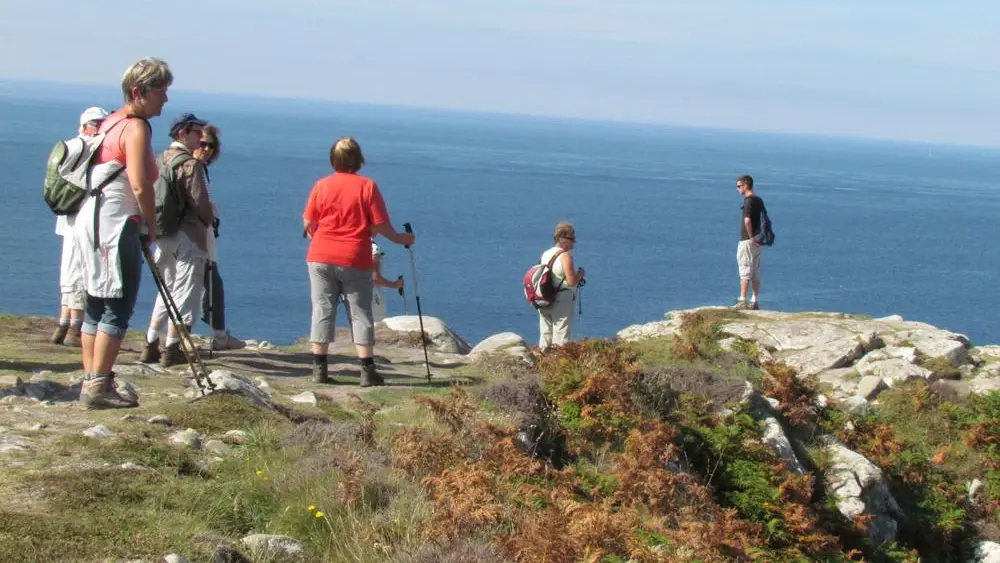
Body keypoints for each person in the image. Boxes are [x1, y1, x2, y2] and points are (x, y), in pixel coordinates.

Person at [73, 58, 172, 409]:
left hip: (91, 218)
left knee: (95, 303)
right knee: (118, 302)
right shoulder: (136, 128)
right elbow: (141, 184)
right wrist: (151, 225)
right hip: (116, 221)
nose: (165, 99)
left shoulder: (110, 121)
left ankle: (92, 380)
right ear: (139, 92)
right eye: (161, 91)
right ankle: (99, 386)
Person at [302, 137, 414, 386]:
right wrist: (402, 238)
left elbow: (309, 222)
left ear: (333, 159)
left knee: (322, 308)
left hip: (320, 254)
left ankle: (319, 369)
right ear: (359, 159)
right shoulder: (367, 186)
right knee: (360, 312)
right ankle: (367, 371)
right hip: (354, 256)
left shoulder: (321, 185)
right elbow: (380, 225)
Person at [139, 113, 214, 366]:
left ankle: (150, 342)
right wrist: (208, 219)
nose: (201, 138)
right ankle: (173, 347)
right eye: (197, 133)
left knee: (167, 290)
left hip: (162, 233)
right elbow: (200, 202)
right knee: (185, 291)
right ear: (183, 133)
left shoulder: (160, 159)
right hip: (188, 234)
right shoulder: (189, 165)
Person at [51, 107, 109, 347]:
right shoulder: (87, 146)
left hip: (68, 214)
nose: (101, 127)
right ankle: (75, 329)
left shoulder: (71, 146)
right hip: (80, 215)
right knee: (78, 271)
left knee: (69, 270)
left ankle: (63, 325)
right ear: (86, 125)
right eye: (97, 123)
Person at [193, 124, 245, 350]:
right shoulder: (192, 169)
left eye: (210, 146)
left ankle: (158, 340)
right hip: (196, 237)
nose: (205, 149)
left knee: (208, 285)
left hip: (201, 234)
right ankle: (219, 336)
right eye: (202, 143)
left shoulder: (200, 170)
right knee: (206, 285)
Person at [538, 221, 585, 350]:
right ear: (562, 238)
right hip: (562, 298)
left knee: (546, 333)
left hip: (545, 297)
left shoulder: (546, 254)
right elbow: (571, 281)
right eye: (571, 238)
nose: (574, 242)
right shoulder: (565, 256)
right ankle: (560, 362)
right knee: (562, 332)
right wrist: (580, 274)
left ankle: (543, 361)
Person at [732, 174, 765, 310]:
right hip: (758, 241)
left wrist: (750, 237)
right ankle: (754, 301)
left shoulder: (748, 201)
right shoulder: (759, 200)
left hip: (747, 240)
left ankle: (742, 300)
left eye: (739, 186)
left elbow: (747, 220)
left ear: (746, 185)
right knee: (755, 271)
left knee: (745, 269)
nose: (737, 189)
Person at [371, 240, 404, 323]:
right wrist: (395, 285)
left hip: (356, 290)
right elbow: (375, 277)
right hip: (372, 292)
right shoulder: (373, 247)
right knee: (377, 321)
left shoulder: (354, 242)